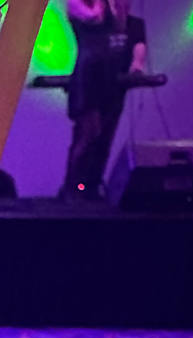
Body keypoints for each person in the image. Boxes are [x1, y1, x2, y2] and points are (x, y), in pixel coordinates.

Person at [62, 0, 147, 200]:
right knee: (88, 133)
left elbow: (139, 48)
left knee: (104, 139)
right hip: (88, 81)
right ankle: (74, 186)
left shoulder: (134, 25)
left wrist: (136, 66)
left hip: (113, 87)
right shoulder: (91, 16)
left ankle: (90, 186)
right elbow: (90, 15)